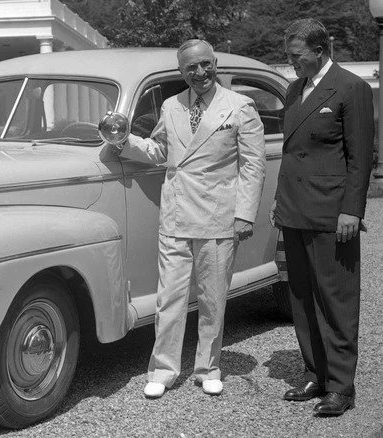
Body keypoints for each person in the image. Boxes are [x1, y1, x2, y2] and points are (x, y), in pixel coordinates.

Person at [112, 39, 266, 398]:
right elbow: (161, 150)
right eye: (191, 68)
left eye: (205, 64)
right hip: (176, 214)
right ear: (181, 72)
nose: (200, 73)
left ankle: (208, 368)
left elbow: (253, 165)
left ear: (215, 63)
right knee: (169, 298)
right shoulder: (171, 105)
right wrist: (121, 141)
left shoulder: (240, 106)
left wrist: (244, 215)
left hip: (218, 216)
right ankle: (163, 370)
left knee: (213, 299)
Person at [270, 18, 373, 416]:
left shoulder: (351, 87)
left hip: (332, 213)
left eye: (296, 56)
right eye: (289, 56)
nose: (291, 62)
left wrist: (351, 210)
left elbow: (360, 158)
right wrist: (279, 202)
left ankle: (341, 386)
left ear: (319, 49)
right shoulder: (295, 89)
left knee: (336, 299)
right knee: (302, 297)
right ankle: (316, 373)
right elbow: (293, 153)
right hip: (295, 209)